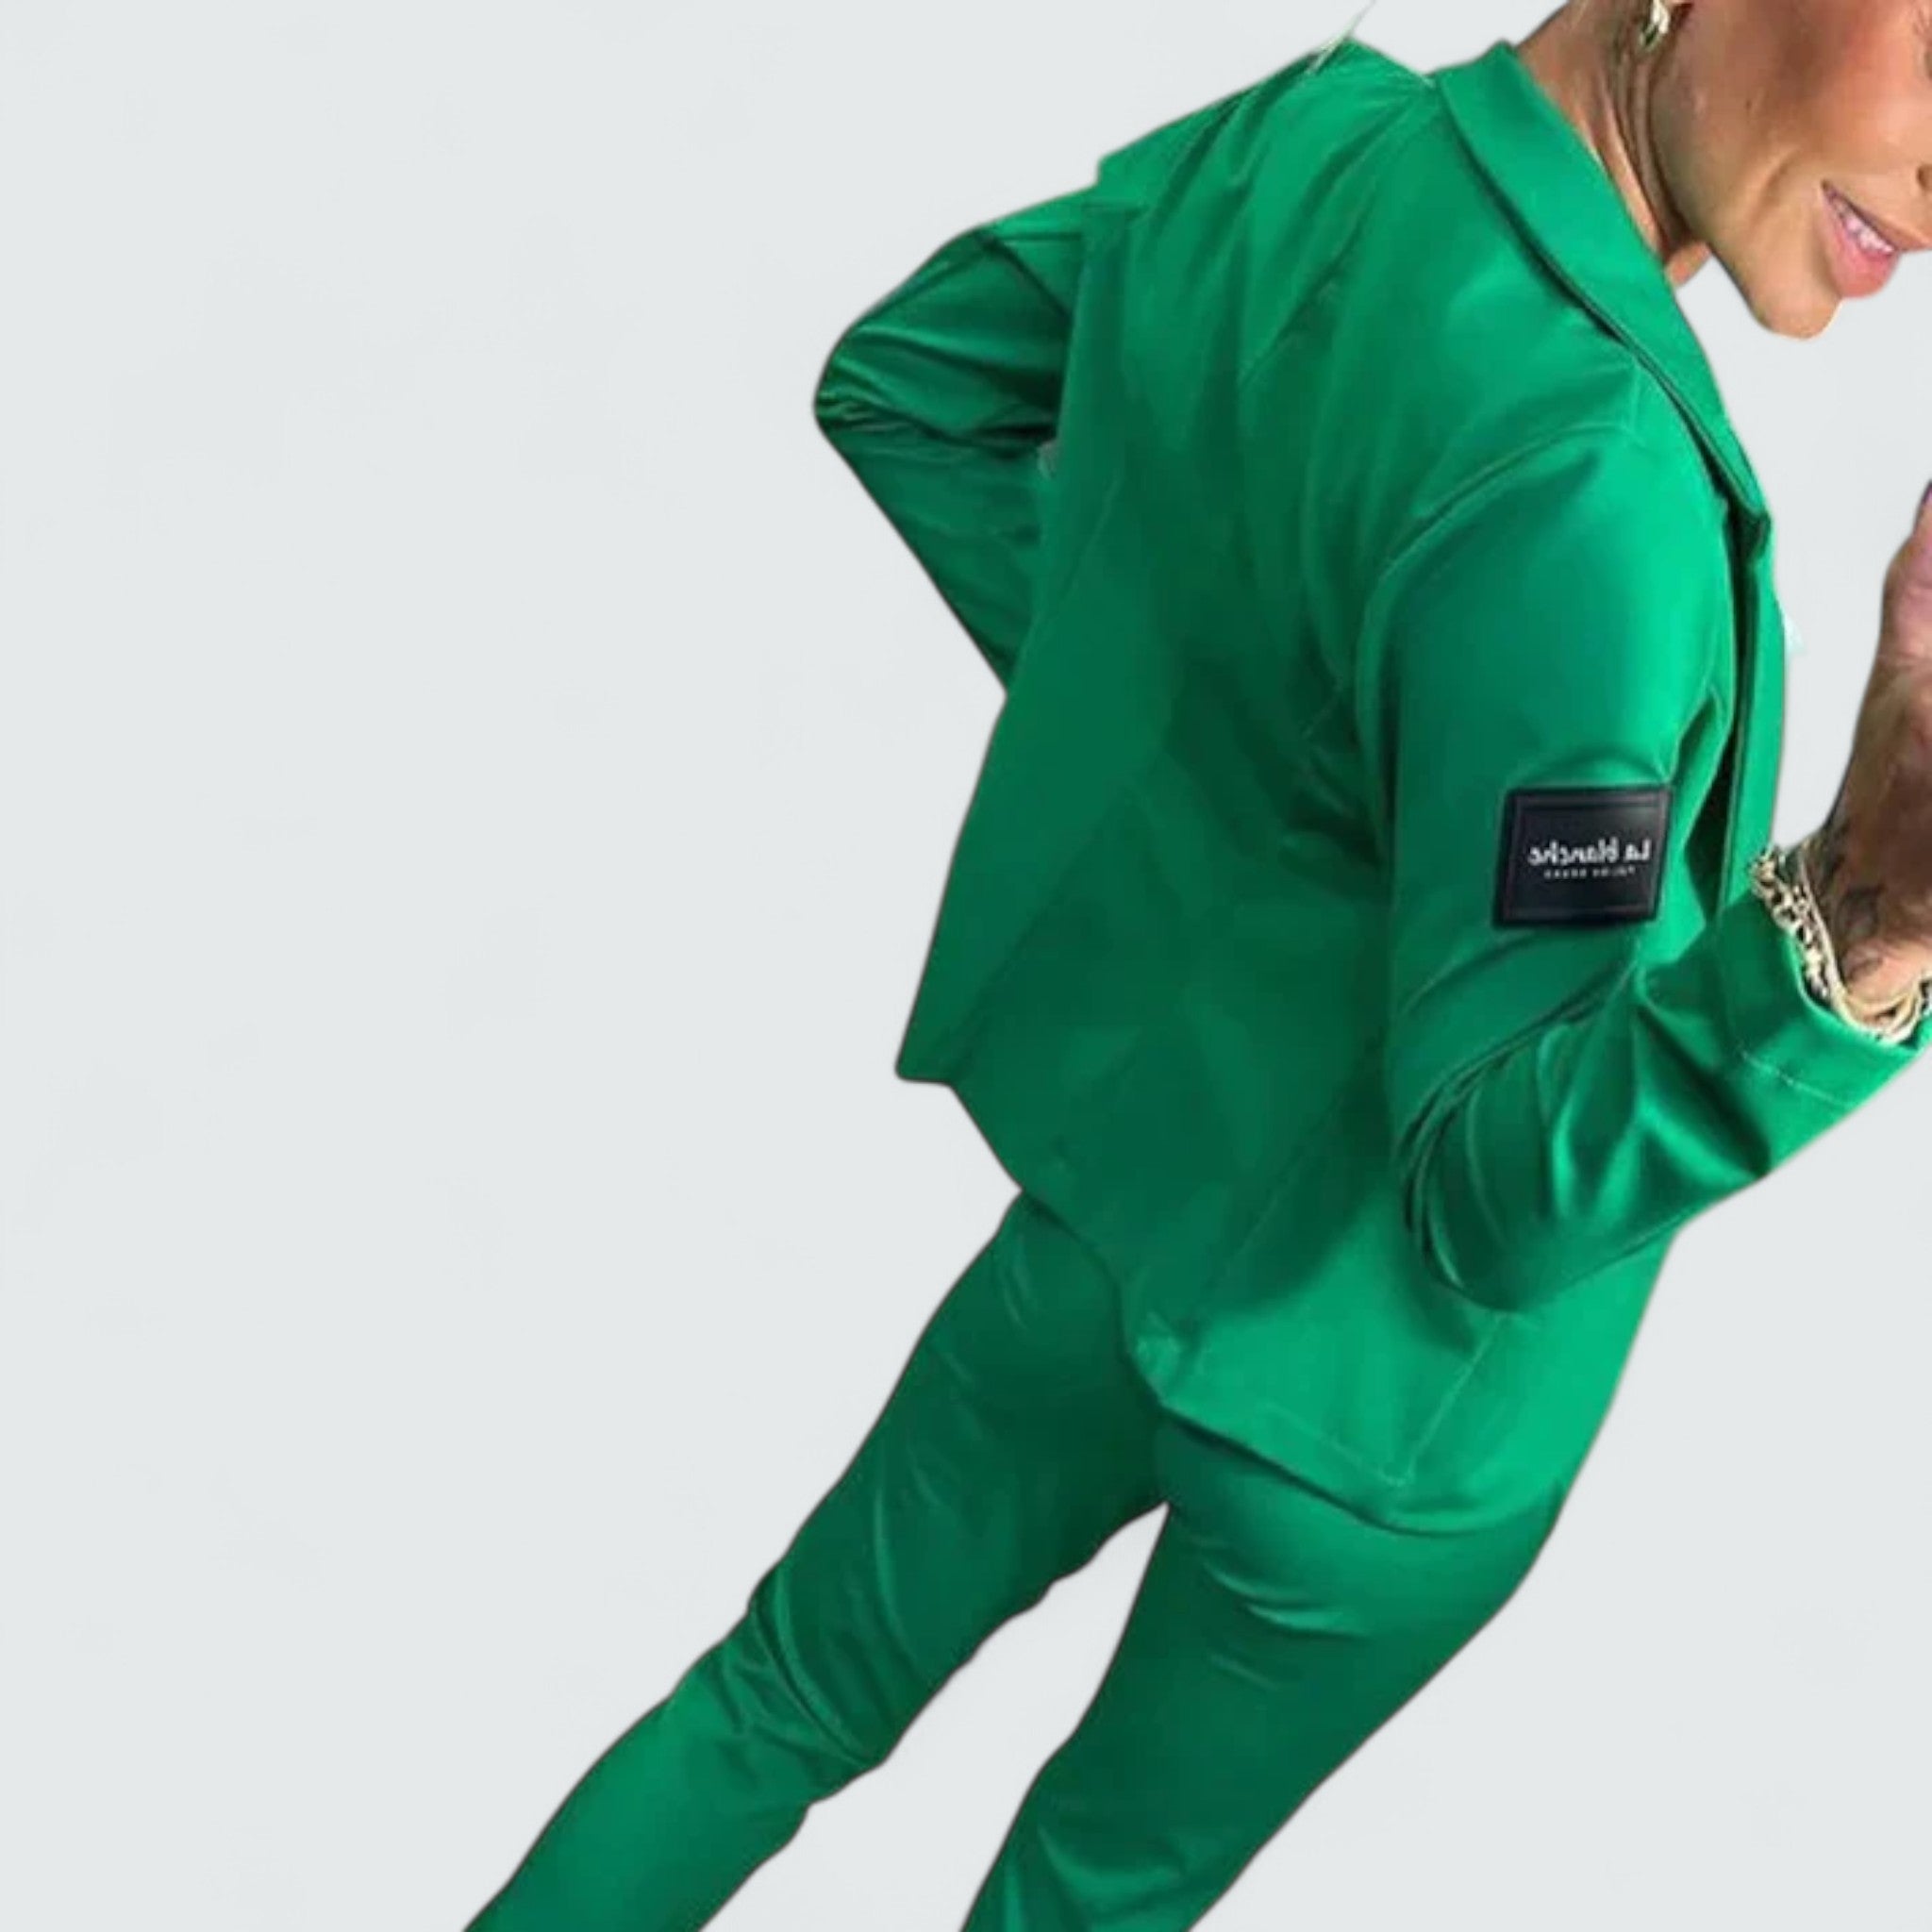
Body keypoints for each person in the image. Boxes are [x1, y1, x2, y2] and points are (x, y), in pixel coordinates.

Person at [460, 2, 1932, 1925]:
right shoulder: (1602, 493)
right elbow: (1490, 1196)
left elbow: (914, 383)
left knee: (774, 1697)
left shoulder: (1300, 154)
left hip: (1119, 1222)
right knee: (1082, 1897)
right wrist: (1855, 928)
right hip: (1378, 1440)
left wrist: (1200, 763)